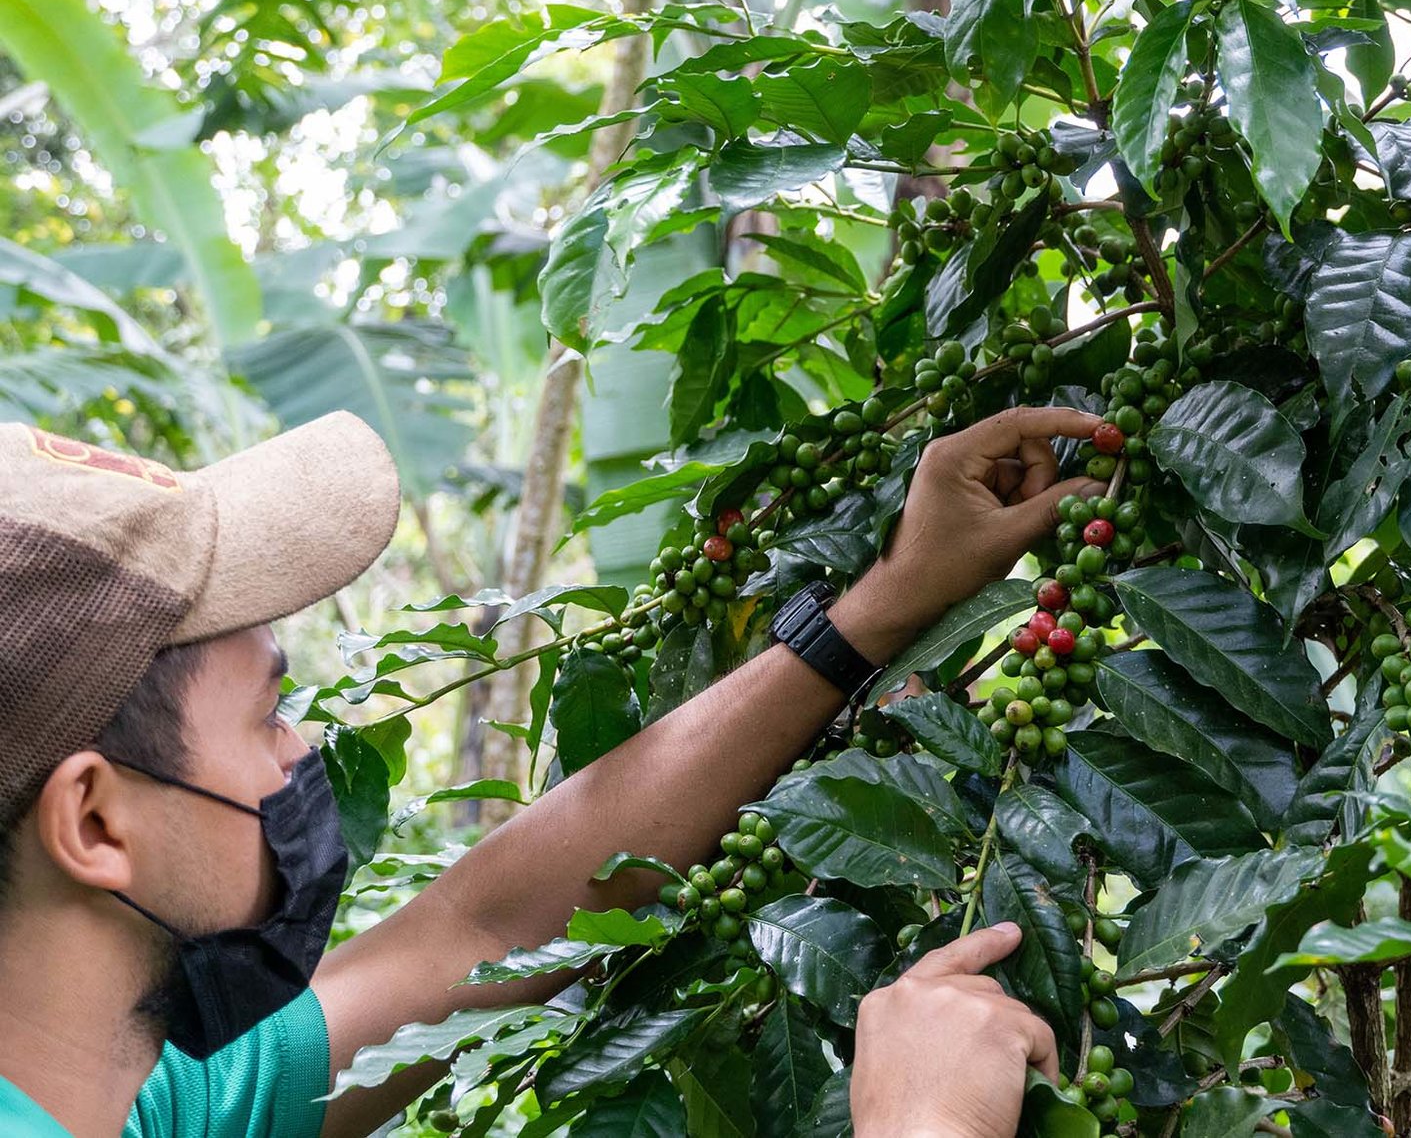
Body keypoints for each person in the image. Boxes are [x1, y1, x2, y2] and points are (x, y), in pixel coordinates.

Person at [0, 405, 1103, 1138]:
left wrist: (877, 609)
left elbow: (478, 929)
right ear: (94, 822)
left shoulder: (133, 1093)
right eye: (268, 714)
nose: (300, 756)